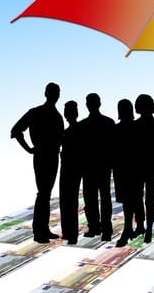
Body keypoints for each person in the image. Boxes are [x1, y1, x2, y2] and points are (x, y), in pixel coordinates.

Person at [11, 82, 64, 244]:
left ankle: (43, 229)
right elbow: (16, 131)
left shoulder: (55, 115)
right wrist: (29, 149)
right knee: (43, 193)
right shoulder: (37, 112)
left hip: (53, 156)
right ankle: (39, 232)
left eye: (57, 92)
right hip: (43, 156)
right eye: (54, 92)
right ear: (48, 93)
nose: (56, 94)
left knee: (46, 194)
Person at [79, 93, 115, 241]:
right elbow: (114, 146)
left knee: (91, 199)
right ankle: (105, 229)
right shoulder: (109, 122)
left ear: (87, 105)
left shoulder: (82, 126)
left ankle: (94, 228)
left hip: (89, 167)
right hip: (103, 166)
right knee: (104, 198)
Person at [133, 94, 154, 244]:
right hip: (151, 167)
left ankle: (142, 226)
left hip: (139, 167)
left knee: (139, 198)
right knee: (149, 198)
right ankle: (148, 228)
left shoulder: (135, 125)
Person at [112, 99, 139, 247]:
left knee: (129, 202)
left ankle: (129, 229)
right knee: (131, 201)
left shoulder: (117, 129)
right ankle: (131, 228)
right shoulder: (136, 128)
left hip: (123, 170)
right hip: (129, 170)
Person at [59, 100, 83, 245]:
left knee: (68, 200)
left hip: (70, 167)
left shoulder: (67, 133)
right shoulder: (76, 130)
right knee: (70, 201)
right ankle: (69, 233)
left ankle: (70, 233)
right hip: (73, 167)